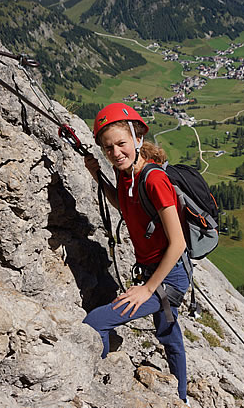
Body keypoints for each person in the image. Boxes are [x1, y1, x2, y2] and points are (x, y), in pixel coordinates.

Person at [82, 103, 191, 406]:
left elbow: (178, 243)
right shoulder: (125, 174)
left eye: (121, 144)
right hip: (153, 272)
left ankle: (98, 384)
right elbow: (127, 208)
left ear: (137, 139)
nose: (115, 152)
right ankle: (181, 398)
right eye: (108, 148)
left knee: (96, 321)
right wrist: (98, 177)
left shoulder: (154, 179)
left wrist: (147, 289)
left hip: (167, 277)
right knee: (169, 335)